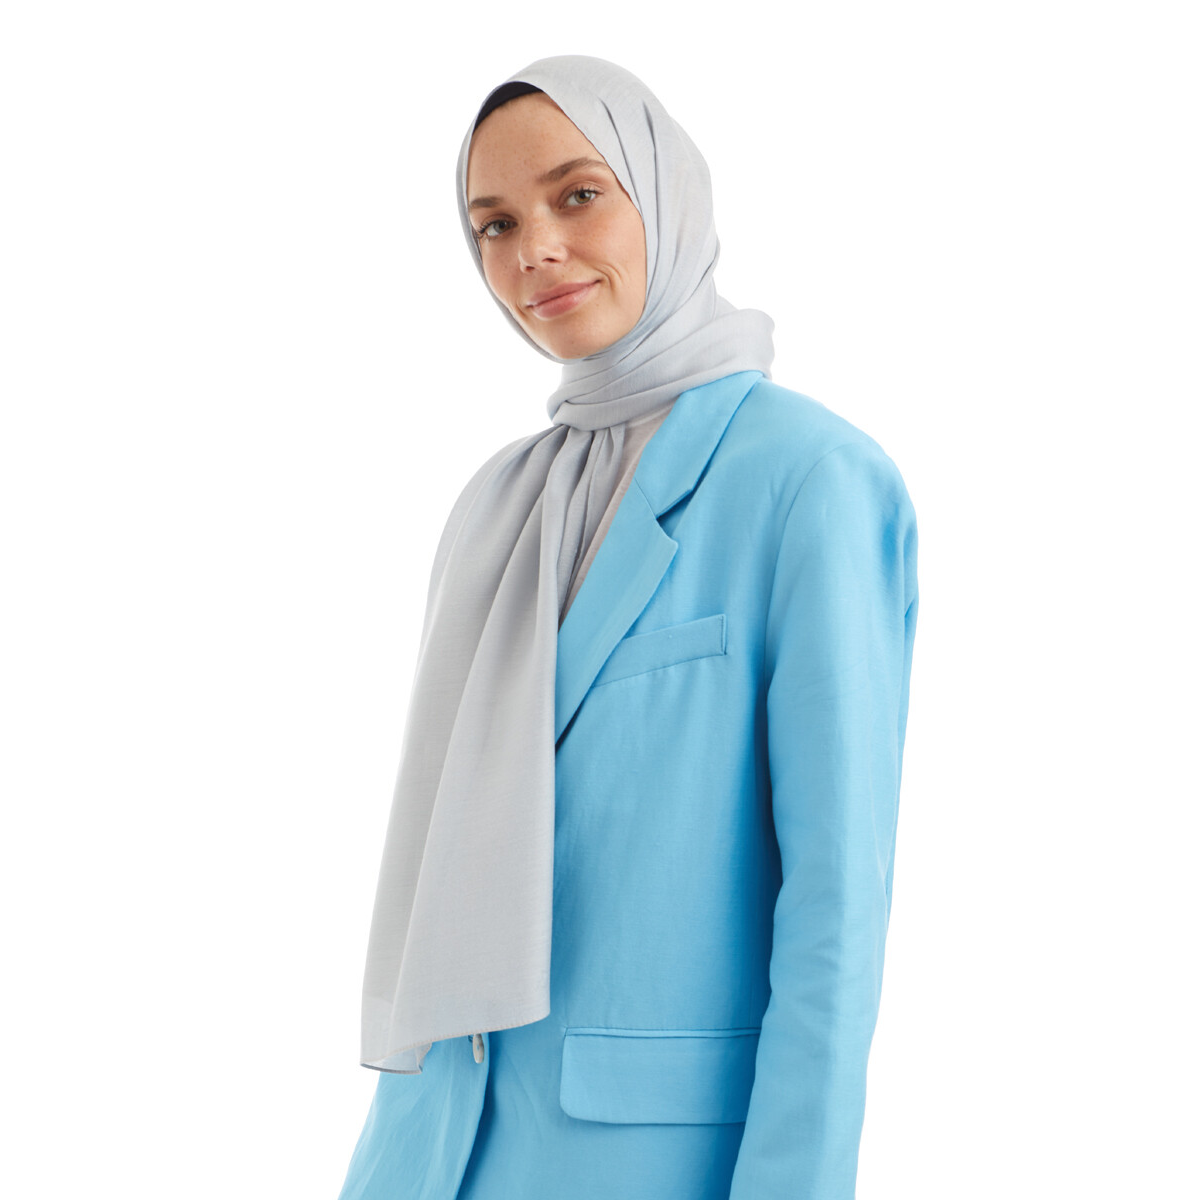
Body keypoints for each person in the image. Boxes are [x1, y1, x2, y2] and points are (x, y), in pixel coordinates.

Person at [336, 54, 919, 1200]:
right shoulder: (498, 507)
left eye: (578, 194)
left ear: (663, 193)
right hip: (427, 1150)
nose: (535, 249)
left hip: (651, 1161)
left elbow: (834, 914)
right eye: (495, 224)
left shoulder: (808, 480)